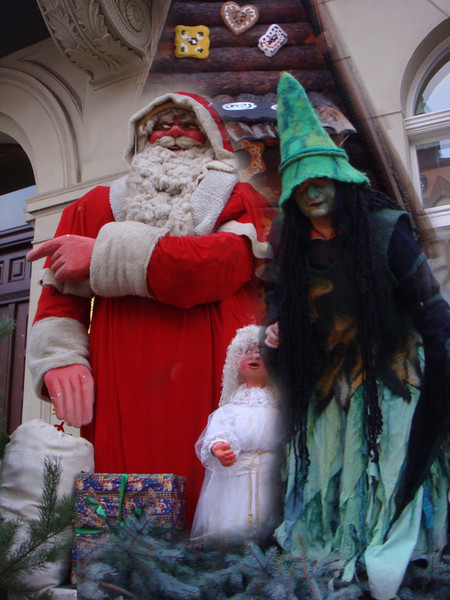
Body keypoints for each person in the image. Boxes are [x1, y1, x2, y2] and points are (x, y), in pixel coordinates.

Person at [26, 91, 272, 525]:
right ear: (141, 139)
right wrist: (60, 359)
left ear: (209, 136)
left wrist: (103, 254)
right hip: (120, 373)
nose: (174, 133)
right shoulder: (94, 205)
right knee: (123, 488)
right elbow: (60, 298)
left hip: (211, 369)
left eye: (187, 124)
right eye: (160, 126)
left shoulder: (239, 197)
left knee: (215, 470)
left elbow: (221, 265)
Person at [263, 73, 449, 600]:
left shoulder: (386, 229)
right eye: (302, 184)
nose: (313, 190)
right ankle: (332, 555)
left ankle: (400, 553)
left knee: (389, 473)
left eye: (321, 179)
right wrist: (273, 330)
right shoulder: (288, 243)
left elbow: (432, 310)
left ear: (340, 178)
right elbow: (279, 304)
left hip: (392, 380)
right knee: (330, 480)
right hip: (330, 387)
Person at [191, 324, 283, 543]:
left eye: (261, 350)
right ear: (235, 360)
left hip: (273, 480)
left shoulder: (281, 409)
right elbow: (217, 433)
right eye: (246, 350)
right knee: (232, 527)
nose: (254, 356)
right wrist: (219, 448)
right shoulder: (229, 410)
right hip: (234, 484)